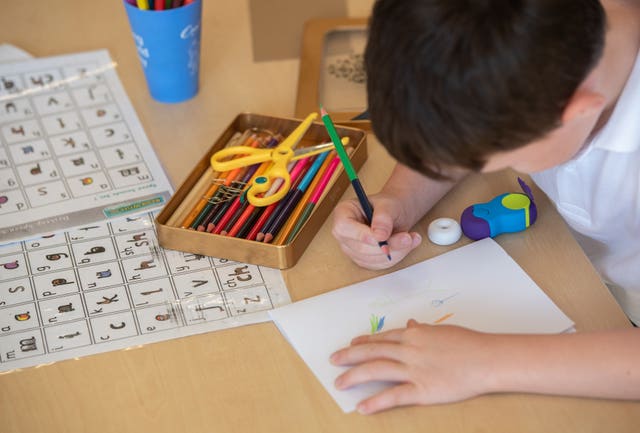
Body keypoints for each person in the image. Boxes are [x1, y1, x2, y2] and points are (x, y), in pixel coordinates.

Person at [329, 0, 640, 414]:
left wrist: (485, 363)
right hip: (578, 278)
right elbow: (470, 102)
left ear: (577, 111)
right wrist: (400, 198)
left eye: (489, 160)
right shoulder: (536, 42)